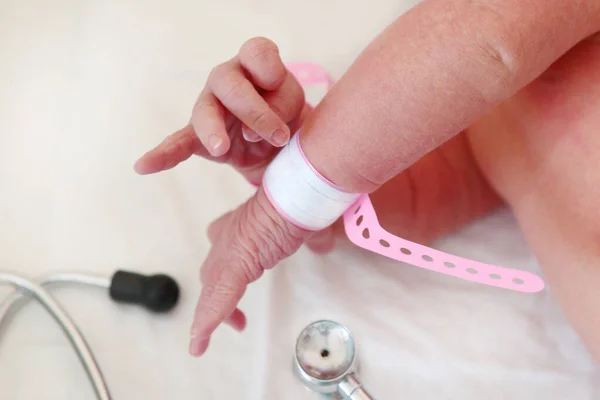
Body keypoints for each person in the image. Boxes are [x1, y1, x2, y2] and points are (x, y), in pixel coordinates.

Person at [134, 0, 600, 363]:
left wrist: (283, 208)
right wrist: (299, 165)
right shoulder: (493, 124)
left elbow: (488, 34)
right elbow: (426, 190)